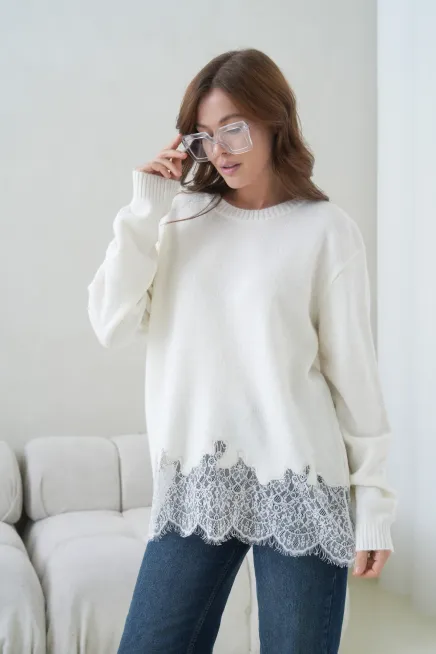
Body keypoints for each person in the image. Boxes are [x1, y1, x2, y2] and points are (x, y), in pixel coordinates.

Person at [88, 48, 397, 654]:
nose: (220, 150)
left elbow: (354, 378)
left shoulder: (327, 230)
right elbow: (109, 323)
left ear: (274, 119)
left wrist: (375, 506)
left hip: (301, 485)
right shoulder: (177, 220)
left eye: (234, 128)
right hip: (196, 484)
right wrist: (144, 208)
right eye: (204, 136)